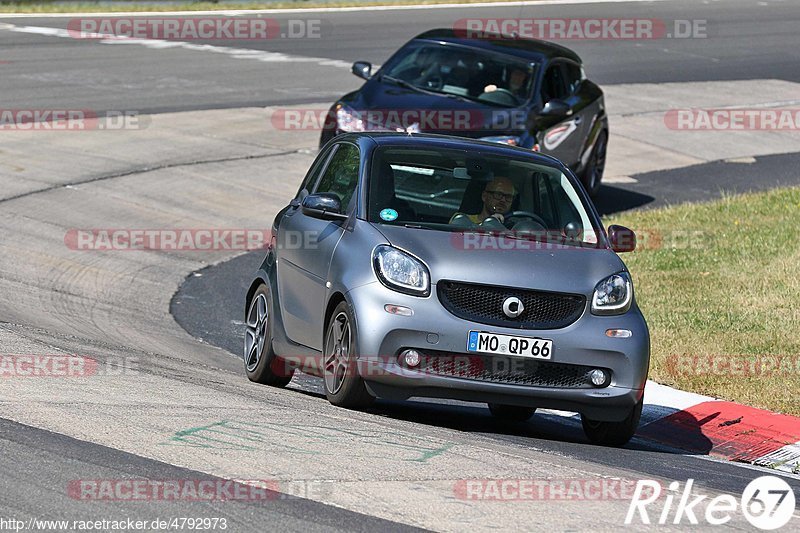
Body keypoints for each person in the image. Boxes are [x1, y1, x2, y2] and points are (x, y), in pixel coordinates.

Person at [450, 176, 516, 225]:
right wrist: (489, 223)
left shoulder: (514, 228)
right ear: (484, 196)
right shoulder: (462, 220)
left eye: (508, 197)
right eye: (498, 195)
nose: (503, 200)